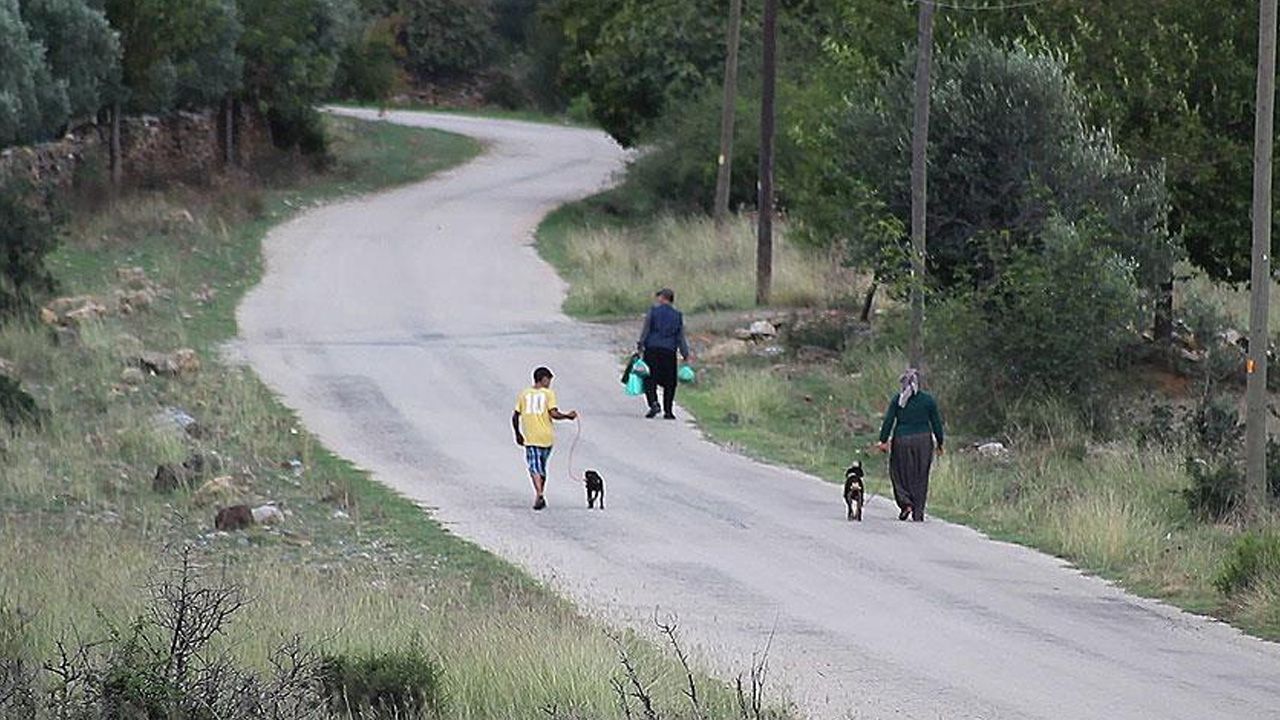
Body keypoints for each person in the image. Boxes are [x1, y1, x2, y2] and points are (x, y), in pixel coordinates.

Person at [876, 368, 944, 522]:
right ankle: (918, 512)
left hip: (902, 439)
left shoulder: (898, 400)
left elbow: (888, 421)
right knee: (921, 475)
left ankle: (905, 503)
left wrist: (883, 440)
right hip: (923, 440)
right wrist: (940, 443)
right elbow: (936, 423)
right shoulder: (928, 400)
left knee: (899, 472)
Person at [512, 366, 578, 510]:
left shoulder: (524, 394)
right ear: (543, 379)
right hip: (547, 437)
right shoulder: (549, 394)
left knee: (534, 467)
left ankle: (539, 493)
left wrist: (517, 433)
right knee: (541, 467)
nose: (549, 383)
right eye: (549, 380)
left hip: (531, 437)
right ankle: (540, 494)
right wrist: (567, 416)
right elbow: (553, 414)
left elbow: (515, 416)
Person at [636, 288, 692, 419]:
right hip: (669, 351)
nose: (658, 300)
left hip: (652, 349)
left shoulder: (653, 312)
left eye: (659, 297)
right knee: (670, 382)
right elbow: (680, 337)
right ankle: (668, 410)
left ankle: (654, 404)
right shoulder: (677, 315)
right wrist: (685, 353)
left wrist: (640, 345)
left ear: (663, 298)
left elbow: (646, 330)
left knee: (650, 379)